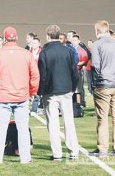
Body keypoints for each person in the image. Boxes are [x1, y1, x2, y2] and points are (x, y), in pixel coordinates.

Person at [0, 26, 39, 164]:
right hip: (21, 96)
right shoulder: (26, 54)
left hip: (3, 97)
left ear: (4, 39)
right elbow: (35, 75)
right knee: (23, 129)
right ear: (16, 38)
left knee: (1, 129)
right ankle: (25, 158)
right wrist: (32, 92)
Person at [38, 25, 80, 161]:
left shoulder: (44, 53)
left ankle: (57, 153)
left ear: (48, 36)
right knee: (69, 121)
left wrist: (41, 91)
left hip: (50, 92)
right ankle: (73, 150)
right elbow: (75, 73)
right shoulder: (68, 51)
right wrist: (73, 88)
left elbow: (42, 75)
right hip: (66, 90)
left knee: (53, 124)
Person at [90, 20, 115, 157]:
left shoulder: (97, 45)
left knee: (102, 118)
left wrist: (95, 84)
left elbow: (95, 66)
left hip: (103, 85)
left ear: (97, 31)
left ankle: (103, 148)